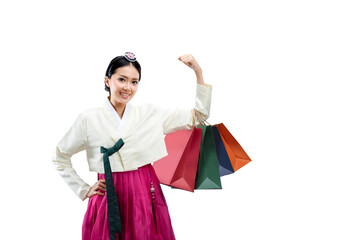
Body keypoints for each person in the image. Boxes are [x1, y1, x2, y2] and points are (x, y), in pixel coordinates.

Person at [52, 52, 212, 240]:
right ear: (107, 80)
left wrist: (198, 72)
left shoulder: (149, 114)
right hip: (108, 193)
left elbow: (199, 116)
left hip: (143, 192)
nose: (128, 87)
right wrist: (83, 188)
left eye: (134, 82)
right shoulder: (88, 119)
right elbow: (60, 157)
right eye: (122, 79)